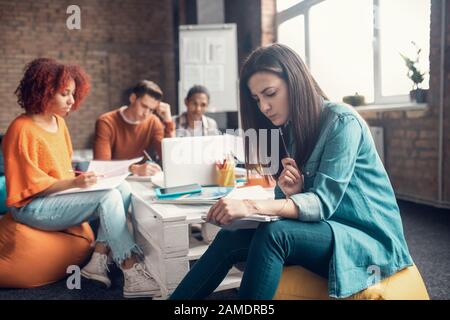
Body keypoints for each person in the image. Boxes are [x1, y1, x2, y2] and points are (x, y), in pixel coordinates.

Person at [169, 44, 413, 300]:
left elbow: (322, 203)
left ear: (295, 82)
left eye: (270, 93)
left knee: (276, 235)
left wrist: (250, 206)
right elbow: (292, 204)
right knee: (229, 238)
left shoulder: (343, 122)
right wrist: (288, 193)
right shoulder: (293, 130)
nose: (263, 107)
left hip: (368, 241)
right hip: (327, 230)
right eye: (257, 99)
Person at [3, 58, 159, 298]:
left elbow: (62, 172)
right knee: (107, 197)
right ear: (44, 91)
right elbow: (31, 187)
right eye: (65, 94)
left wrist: (80, 179)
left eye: (73, 94)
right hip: (31, 207)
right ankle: (130, 268)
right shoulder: (21, 129)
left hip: (59, 197)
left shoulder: (59, 123)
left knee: (123, 187)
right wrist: (75, 183)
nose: (72, 101)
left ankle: (98, 260)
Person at [94, 80, 175, 176]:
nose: (146, 113)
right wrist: (134, 169)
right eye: (144, 106)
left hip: (141, 178)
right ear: (133, 98)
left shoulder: (153, 121)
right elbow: (101, 166)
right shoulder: (106, 122)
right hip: (113, 178)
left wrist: (168, 121)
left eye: (151, 110)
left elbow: (169, 158)